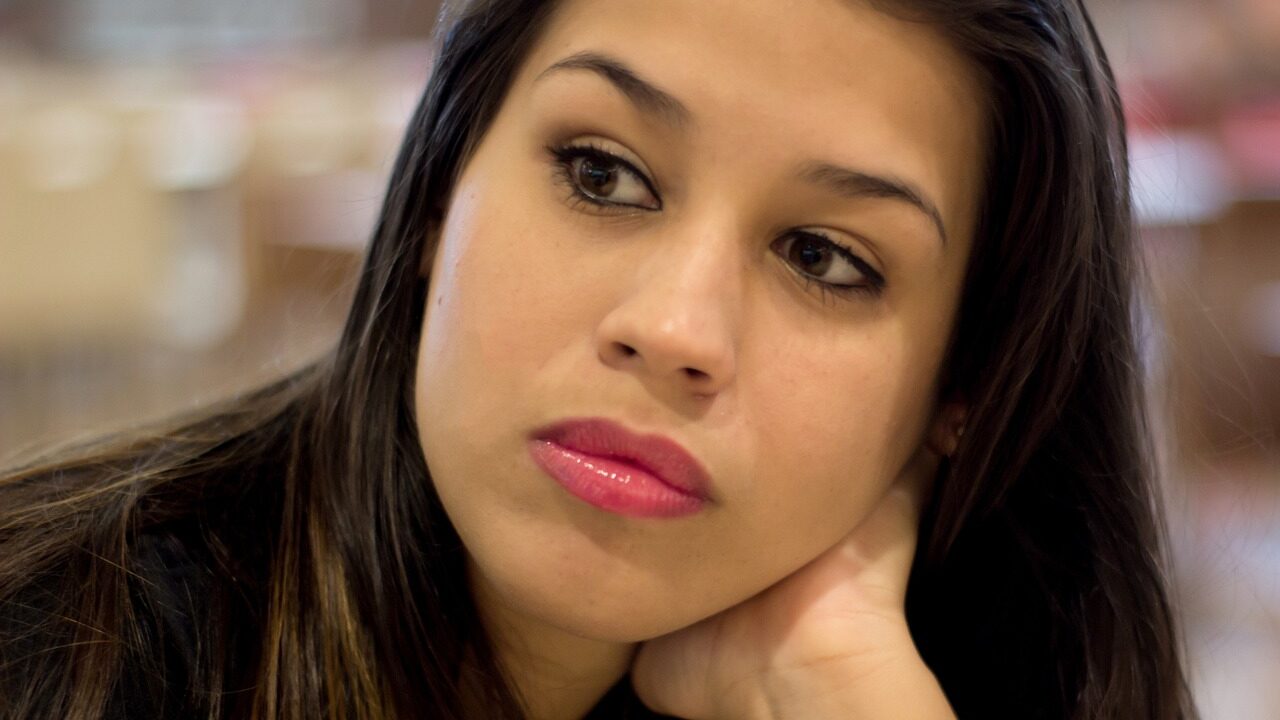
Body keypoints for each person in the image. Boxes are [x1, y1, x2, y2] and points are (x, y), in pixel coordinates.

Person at [0, 0, 1198, 718]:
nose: (674, 328)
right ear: (435, 196)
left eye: (825, 258)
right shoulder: (61, 651)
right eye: (600, 174)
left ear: (959, 390)